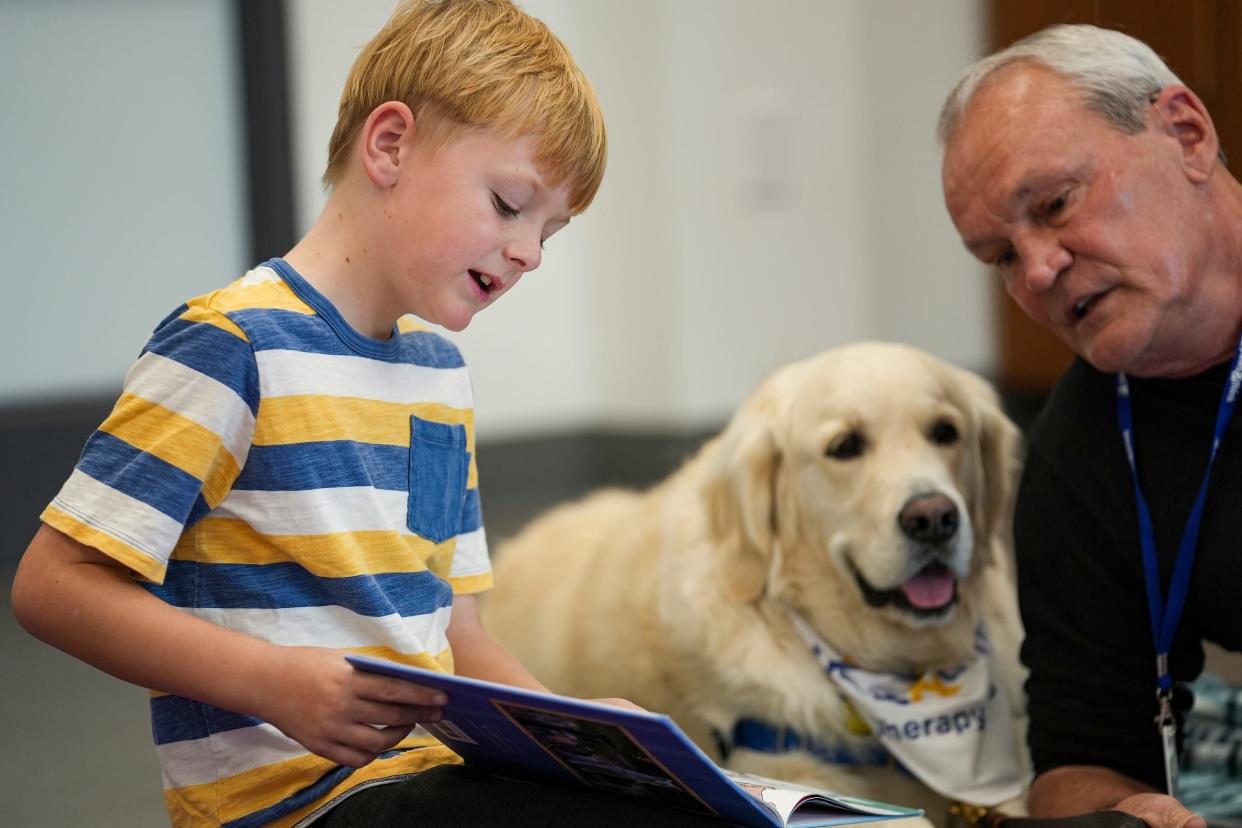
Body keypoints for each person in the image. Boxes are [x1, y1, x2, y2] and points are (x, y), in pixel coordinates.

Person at [9, 2, 726, 826]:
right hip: (290, 805)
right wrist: (269, 682)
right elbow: (52, 585)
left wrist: (576, 738)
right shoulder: (230, 345)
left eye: (551, 231)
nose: (530, 250)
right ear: (388, 145)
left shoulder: (439, 374)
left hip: (426, 772)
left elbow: (459, 634)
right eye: (508, 204)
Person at [937, 23, 1242, 828]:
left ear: (1187, 133)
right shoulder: (1083, 446)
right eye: (1000, 254)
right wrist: (1120, 814)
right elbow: (1083, 750)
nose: (1038, 271)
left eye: (1057, 204)